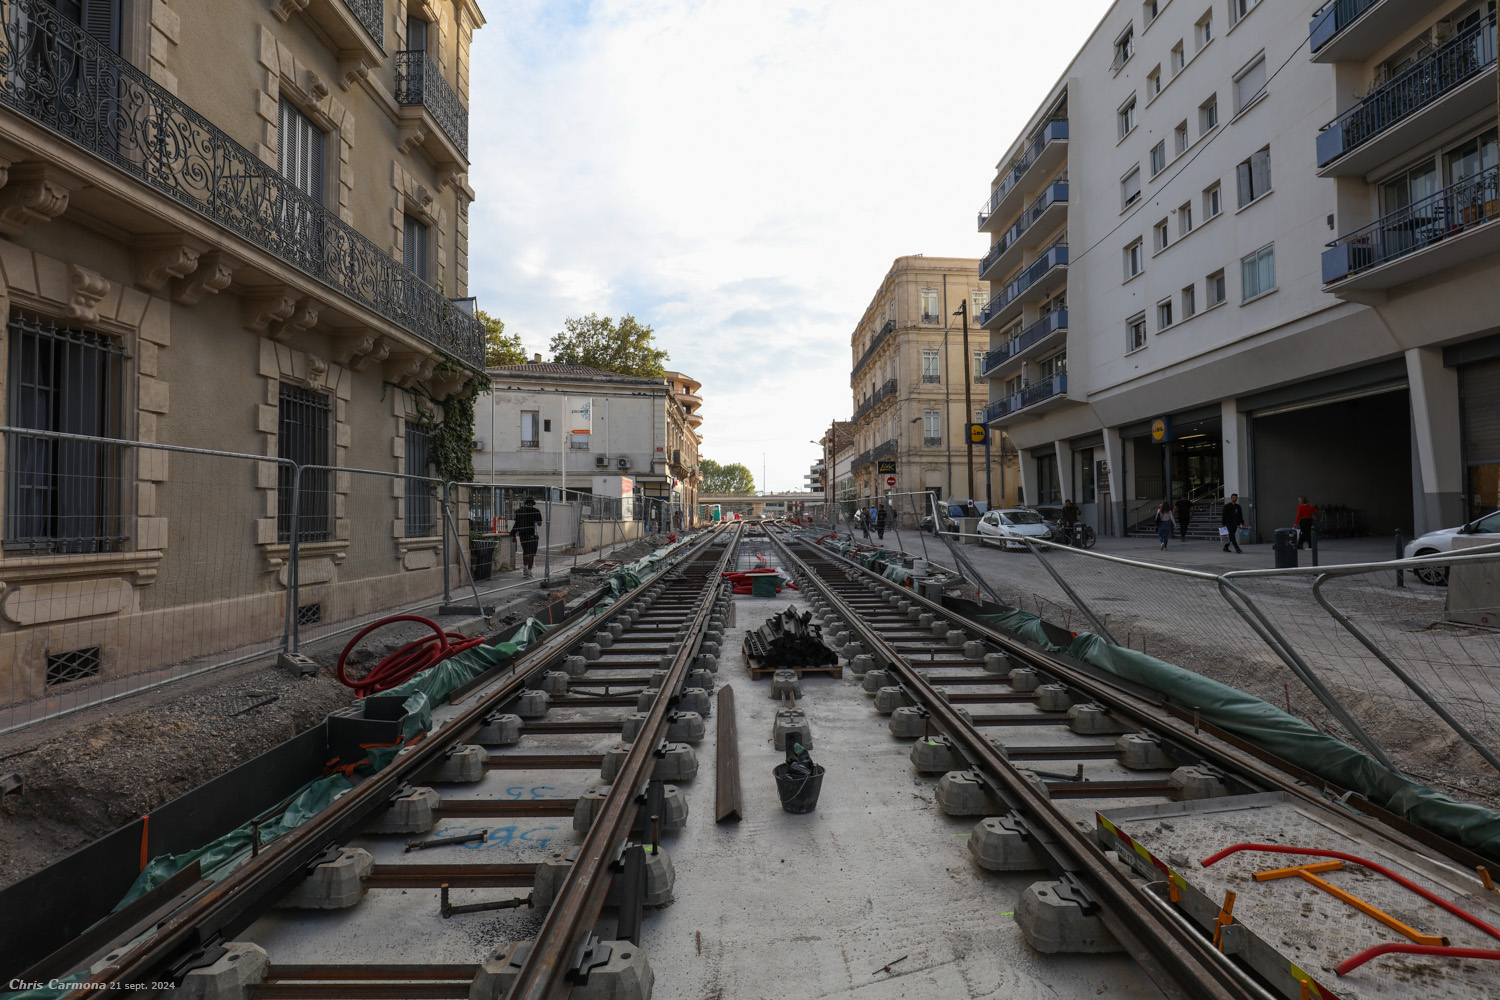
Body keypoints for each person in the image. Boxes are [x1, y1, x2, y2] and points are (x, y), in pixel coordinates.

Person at [511, 497, 543, 578]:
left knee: (525, 552)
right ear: (533, 503)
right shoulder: (536, 511)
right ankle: (530, 571)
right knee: (531, 553)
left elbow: (516, 524)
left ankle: (525, 569)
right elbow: (539, 524)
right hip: (532, 534)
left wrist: (514, 535)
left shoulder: (519, 511)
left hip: (522, 534)